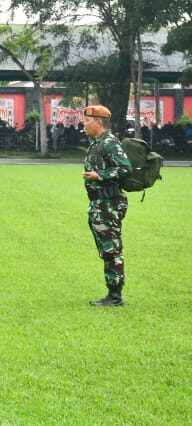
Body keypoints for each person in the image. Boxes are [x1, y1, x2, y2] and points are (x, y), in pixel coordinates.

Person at [82, 104, 133, 307]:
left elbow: (125, 168)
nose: (84, 124)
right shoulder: (96, 144)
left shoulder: (109, 143)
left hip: (109, 203)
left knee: (112, 249)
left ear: (98, 122)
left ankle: (115, 296)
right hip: (99, 203)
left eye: (87, 121)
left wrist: (99, 175)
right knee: (106, 249)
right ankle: (112, 293)